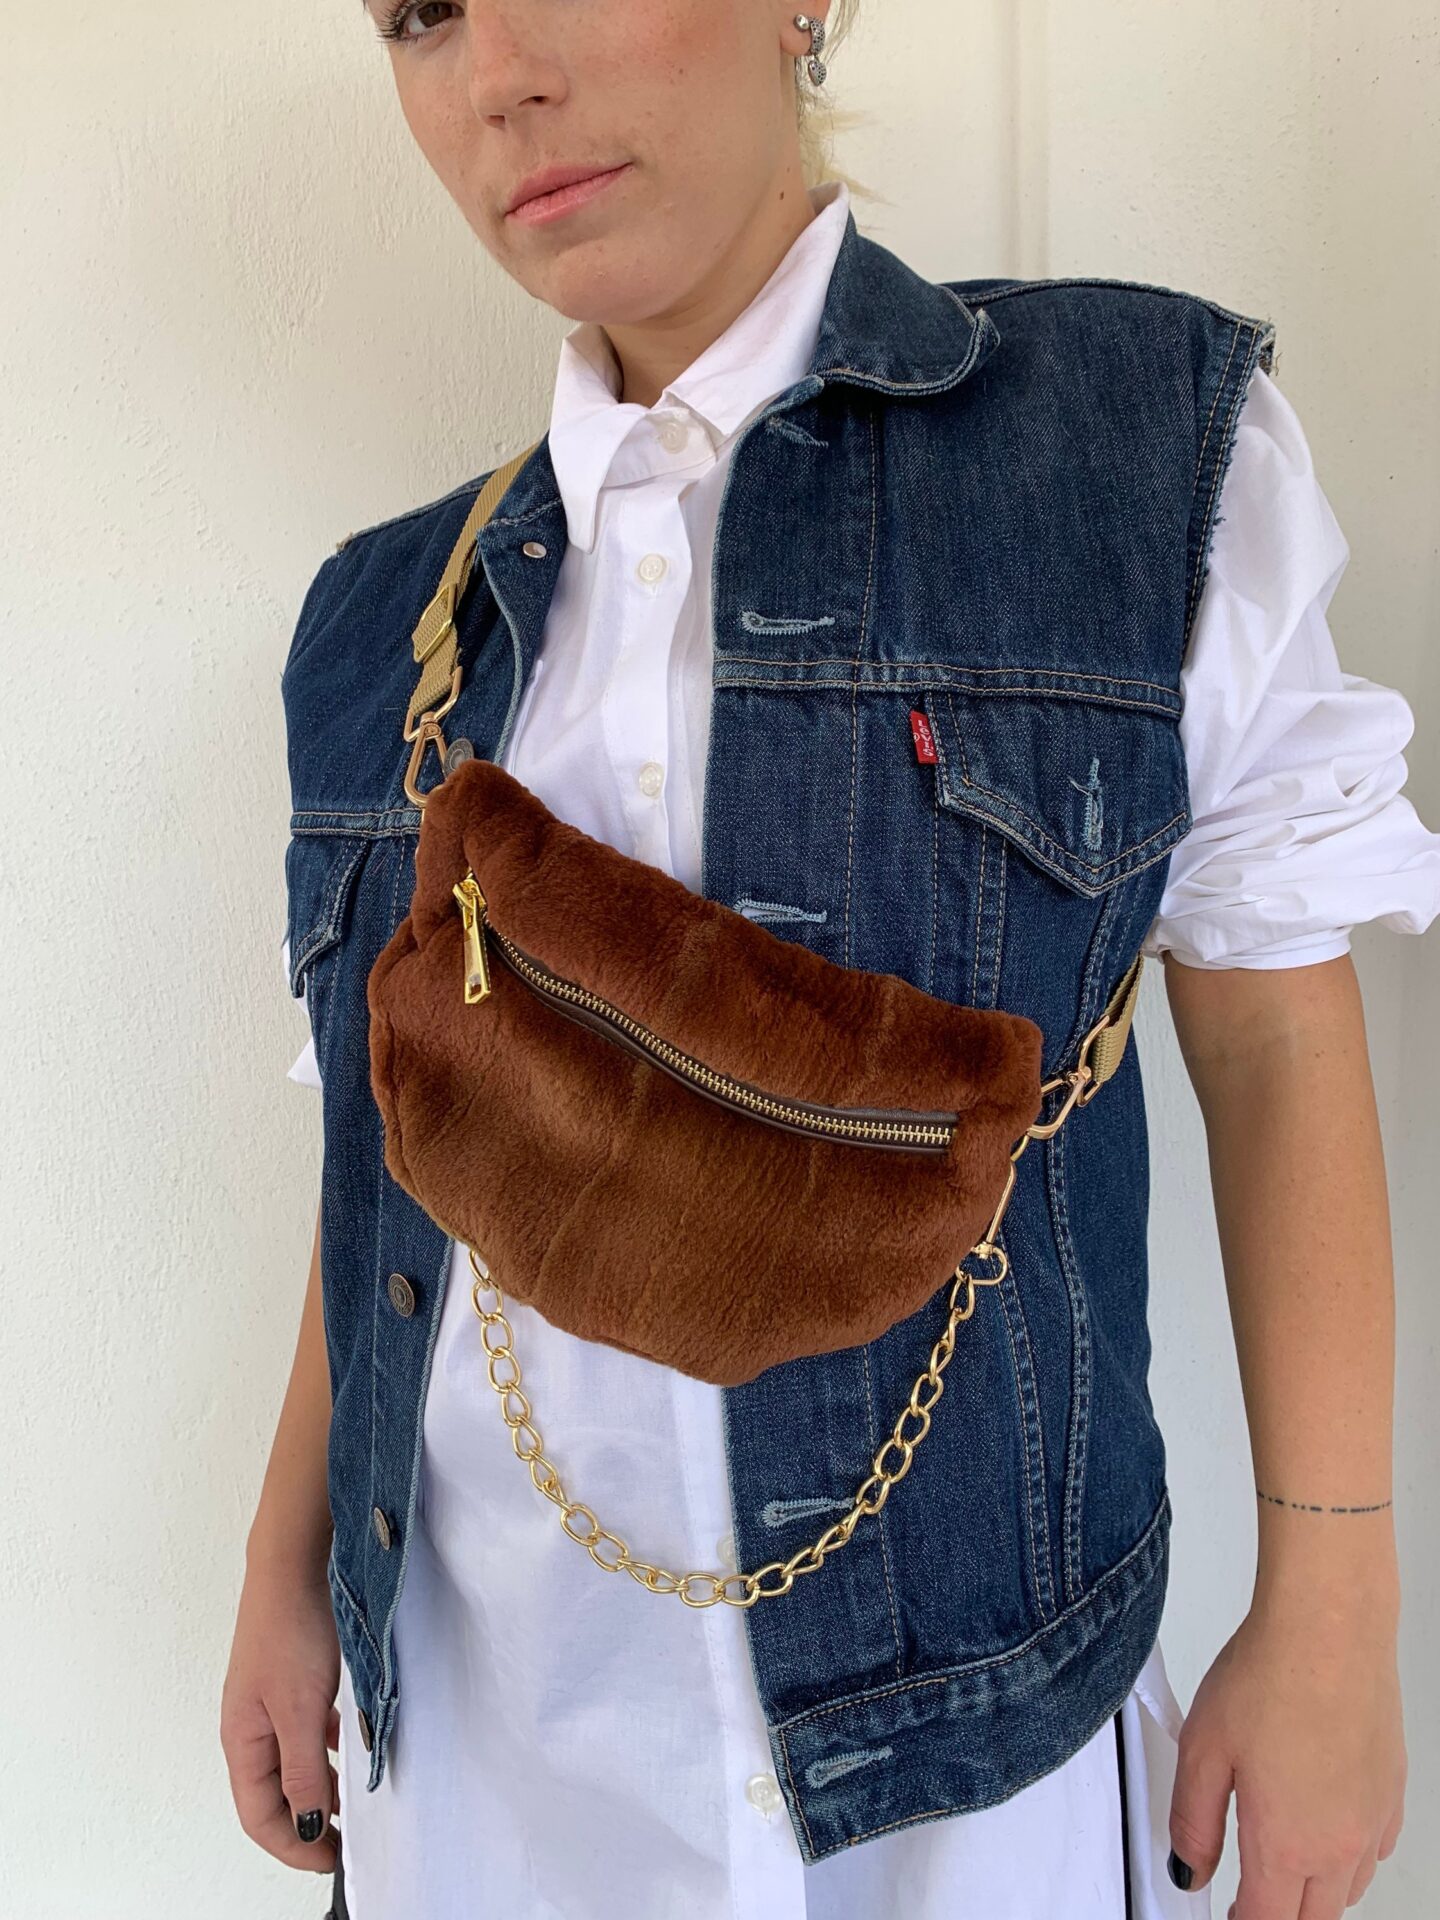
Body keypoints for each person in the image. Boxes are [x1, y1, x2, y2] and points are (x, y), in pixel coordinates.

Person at [222, 4, 1439, 1916]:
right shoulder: (387, 622)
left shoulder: (1127, 453)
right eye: (418, 13)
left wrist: (1337, 1610)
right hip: (481, 1756)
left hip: (967, 1782)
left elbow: (1275, 1042)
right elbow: (385, 1158)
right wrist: (282, 1565)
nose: (497, 74)